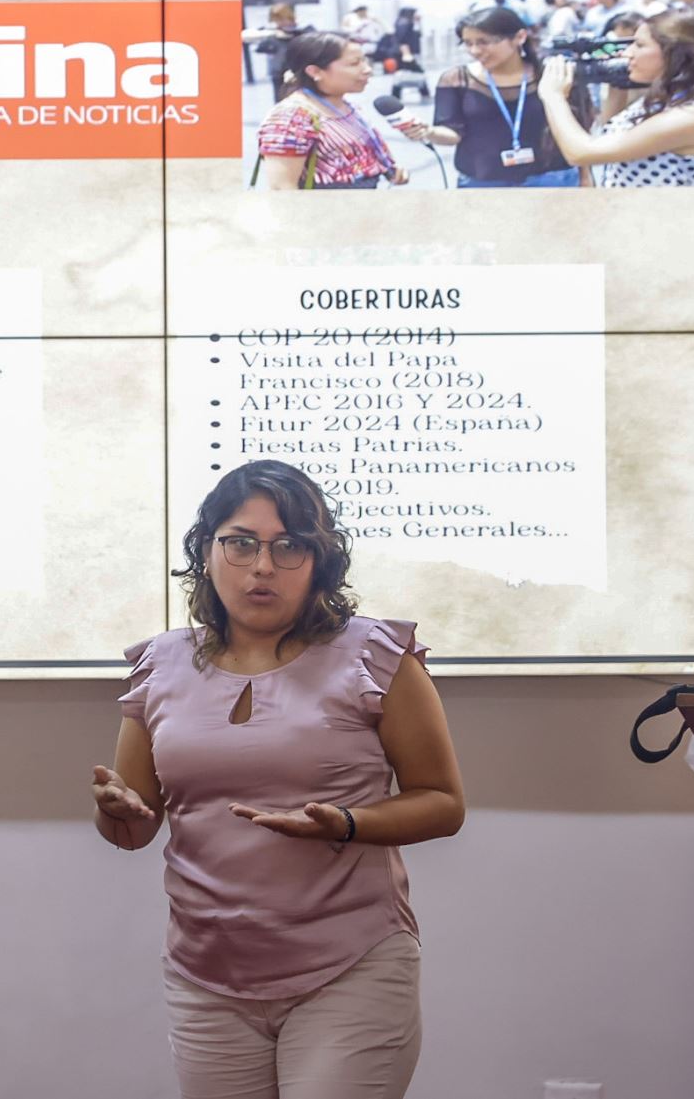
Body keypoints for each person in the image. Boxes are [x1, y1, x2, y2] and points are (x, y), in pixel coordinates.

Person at [92, 459, 464, 1099]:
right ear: (206, 552)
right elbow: (134, 828)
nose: (262, 566)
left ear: (319, 561)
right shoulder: (161, 664)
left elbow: (443, 803)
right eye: (240, 543)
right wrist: (116, 812)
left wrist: (346, 823)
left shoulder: (375, 656)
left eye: (288, 546)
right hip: (206, 977)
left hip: (350, 968)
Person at [539, 10, 694, 186]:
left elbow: (581, 153)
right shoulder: (669, 99)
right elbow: (613, 138)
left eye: (639, 45)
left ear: (675, 55)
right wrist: (616, 84)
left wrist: (553, 96)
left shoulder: (693, 116)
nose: (628, 53)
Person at [397, 6, 583, 187]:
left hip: (553, 179)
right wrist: (428, 132)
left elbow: (578, 129)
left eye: (484, 42)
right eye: (468, 43)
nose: (475, 51)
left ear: (519, 37)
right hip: (483, 183)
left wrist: (586, 177)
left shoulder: (552, 75)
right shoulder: (456, 79)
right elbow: (452, 132)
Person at [255, 32, 405, 190]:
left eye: (364, 60)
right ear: (315, 72)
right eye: (354, 63)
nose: (367, 69)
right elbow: (281, 187)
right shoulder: (291, 118)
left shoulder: (346, 106)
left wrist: (387, 169)